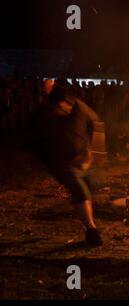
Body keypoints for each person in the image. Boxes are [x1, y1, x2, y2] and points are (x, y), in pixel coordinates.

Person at [30, 81, 103, 246]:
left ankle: (81, 206)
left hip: (82, 159)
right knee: (79, 189)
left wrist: (93, 152)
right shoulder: (42, 117)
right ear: (54, 106)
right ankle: (92, 231)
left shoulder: (78, 107)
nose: (68, 108)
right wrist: (47, 161)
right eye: (63, 107)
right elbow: (33, 142)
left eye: (69, 104)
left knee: (89, 187)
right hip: (61, 164)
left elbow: (97, 123)